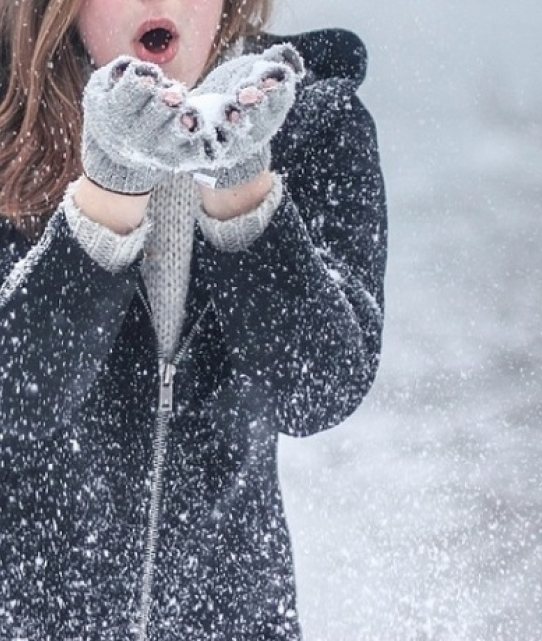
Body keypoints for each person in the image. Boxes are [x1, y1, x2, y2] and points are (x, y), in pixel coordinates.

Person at [0, 0, 387, 637]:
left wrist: (242, 192)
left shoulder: (315, 123)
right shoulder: (7, 125)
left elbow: (319, 388)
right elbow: (14, 399)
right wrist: (110, 193)